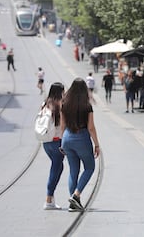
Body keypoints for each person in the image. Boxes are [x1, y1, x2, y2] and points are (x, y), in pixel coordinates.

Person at [60, 78, 101, 212]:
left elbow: (62, 125)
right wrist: (96, 144)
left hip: (67, 137)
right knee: (89, 167)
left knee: (73, 170)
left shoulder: (64, 104)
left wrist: (62, 142)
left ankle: (73, 203)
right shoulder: (86, 106)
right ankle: (76, 195)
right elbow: (91, 127)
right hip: (81, 137)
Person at [41, 82, 65, 210]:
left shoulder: (44, 104)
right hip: (57, 142)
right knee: (56, 168)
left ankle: (51, 198)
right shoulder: (59, 105)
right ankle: (48, 199)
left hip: (46, 142)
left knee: (59, 167)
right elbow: (62, 125)